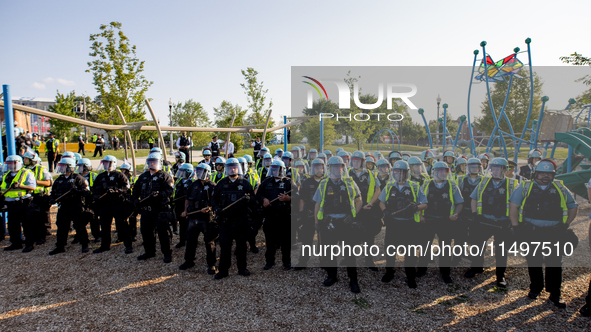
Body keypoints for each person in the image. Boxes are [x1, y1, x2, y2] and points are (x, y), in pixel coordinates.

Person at [509, 159, 578, 308]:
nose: (545, 176)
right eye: (541, 173)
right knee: (533, 261)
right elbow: (513, 206)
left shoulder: (560, 188)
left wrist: (565, 225)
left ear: (553, 175)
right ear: (536, 174)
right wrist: (516, 227)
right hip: (531, 232)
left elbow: (573, 207)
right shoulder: (525, 187)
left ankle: (555, 293)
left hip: (554, 232)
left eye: (548, 173)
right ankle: (536, 288)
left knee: (554, 263)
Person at [465, 158, 519, 288]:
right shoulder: (484, 182)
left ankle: (500, 275)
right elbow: (473, 198)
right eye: (493, 168)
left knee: (501, 250)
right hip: (484, 221)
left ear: (505, 170)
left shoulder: (512, 185)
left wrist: (513, 222)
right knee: (478, 246)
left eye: (498, 169)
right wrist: (474, 214)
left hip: (503, 223)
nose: (495, 171)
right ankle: (476, 268)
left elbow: (516, 204)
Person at [314, 156, 363, 293]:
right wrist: (316, 222)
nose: (337, 169)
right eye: (334, 167)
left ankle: (353, 280)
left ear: (343, 167)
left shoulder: (350, 182)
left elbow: (359, 201)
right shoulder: (323, 184)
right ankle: (332, 277)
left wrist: (353, 215)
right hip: (329, 223)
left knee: (349, 254)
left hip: (346, 223)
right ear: (330, 168)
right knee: (330, 252)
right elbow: (317, 204)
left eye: (339, 166)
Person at [379, 160, 428, 288]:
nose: (399, 174)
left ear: (407, 173)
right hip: (393, 224)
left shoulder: (415, 186)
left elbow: (424, 204)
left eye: (402, 172)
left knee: (410, 253)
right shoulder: (389, 186)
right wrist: (385, 211)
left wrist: (415, 208)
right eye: (396, 172)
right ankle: (389, 272)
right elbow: (381, 201)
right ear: (393, 173)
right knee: (390, 250)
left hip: (409, 225)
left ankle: (410, 277)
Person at [416, 162, 464, 283]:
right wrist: (421, 216)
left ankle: (445, 272)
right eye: (439, 171)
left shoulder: (452, 186)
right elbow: (420, 202)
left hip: (445, 221)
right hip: (429, 220)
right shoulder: (426, 184)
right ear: (434, 172)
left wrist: (456, 214)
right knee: (425, 245)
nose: (442, 173)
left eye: (445, 171)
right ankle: (422, 269)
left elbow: (459, 203)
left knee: (446, 247)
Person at [211, 158, 257, 279]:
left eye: (234, 167)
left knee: (241, 247)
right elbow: (214, 200)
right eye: (230, 167)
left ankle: (242, 269)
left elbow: (254, 201)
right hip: (226, 221)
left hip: (241, 221)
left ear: (238, 168)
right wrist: (216, 209)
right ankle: (223, 271)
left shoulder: (245, 183)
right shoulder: (221, 184)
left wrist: (249, 199)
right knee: (225, 247)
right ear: (227, 169)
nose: (232, 169)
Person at [133, 152, 175, 263]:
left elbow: (170, 191)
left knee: (163, 233)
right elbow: (135, 190)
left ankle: (167, 254)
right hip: (146, 210)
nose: (152, 164)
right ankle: (149, 252)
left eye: (155, 162)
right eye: (150, 162)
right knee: (146, 232)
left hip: (160, 210)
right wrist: (135, 199)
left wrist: (159, 195)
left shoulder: (165, 176)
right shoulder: (143, 176)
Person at [179, 164, 218, 273]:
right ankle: (189, 261)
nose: (200, 174)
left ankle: (211, 264)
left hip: (207, 218)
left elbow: (216, 202)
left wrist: (209, 208)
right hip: (193, 217)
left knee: (209, 242)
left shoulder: (213, 186)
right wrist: (185, 211)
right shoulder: (193, 185)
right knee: (190, 240)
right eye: (199, 171)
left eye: (202, 171)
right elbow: (187, 199)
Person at [47, 158, 90, 255]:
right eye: (60, 166)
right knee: (62, 226)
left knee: (79, 226)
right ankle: (60, 246)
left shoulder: (78, 178)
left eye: (63, 166)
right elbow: (53, 192)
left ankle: (85, 245)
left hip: (76, 205)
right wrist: (52, 199)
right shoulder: (59, 180)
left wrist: (78, 192)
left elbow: (87, 192)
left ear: (70, 167)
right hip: (64, 206)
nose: (61, 168)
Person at [92, 155, 133, 254]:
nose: (106, 165)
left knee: (122, 225)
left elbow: (126, 187)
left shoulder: (119, 175)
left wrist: (117, 191)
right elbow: (94, 188)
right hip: (104, 205)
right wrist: (96, 196)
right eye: (105, 163)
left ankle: (128, 246)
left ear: (113, 164)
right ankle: (105, 245)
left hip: (117, 204)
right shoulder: (101, 176)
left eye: (108, 163)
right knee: (105, 226)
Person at [258, 160, 294, 270]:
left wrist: (289, 198)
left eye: (277, 169)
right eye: (273, 169)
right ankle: (270, 261)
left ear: (282, 170)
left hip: (285, 216)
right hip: (270, 216)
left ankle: (286, 262)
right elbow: (259, 194)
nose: (275, 171)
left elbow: (299, 197)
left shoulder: (289, 182)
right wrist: (263, 199)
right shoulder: (266, 182)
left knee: (286, 241)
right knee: (270, 241)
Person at [349, 150, 382, 270]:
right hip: (353, 209)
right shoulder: (347, 173)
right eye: (354, 161)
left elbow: (378, 190)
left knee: (369, 236)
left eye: (358, 161)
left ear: (363, 162)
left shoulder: (371, 174)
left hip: (367, 210)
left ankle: (369, 260)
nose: (356, 163)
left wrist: (371, 203)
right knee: (350, 235)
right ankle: (348, 259)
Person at [295, 158, 326, 270]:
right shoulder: (306, 182)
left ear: (324, 168)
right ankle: (303, 261)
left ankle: (324, 261)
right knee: (307, 239)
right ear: (313, 169)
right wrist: (301, 214)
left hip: (324, 215)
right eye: (316, 167)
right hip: (308, 215)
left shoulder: (327, 181)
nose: (319, 169)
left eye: (320, 167)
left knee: (324, 240)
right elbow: (301, 199)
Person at [1, 155, 37, 252]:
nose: (10, 166)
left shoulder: (26, 173)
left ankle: (29, 244)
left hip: (23, 203)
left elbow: (33, 187)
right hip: (10, 203)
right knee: (12, 225)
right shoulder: (6, 175)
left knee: (27, 224)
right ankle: (16, 243)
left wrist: (20, 185)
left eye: (12, 164)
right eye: (8, 164)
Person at [23, 151, 52, 245]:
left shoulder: (41, 169)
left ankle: (41, 237)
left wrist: (34, 182)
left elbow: (49, 183)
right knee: (29, 219)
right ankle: (32, 237)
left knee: (40, 218)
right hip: (27, 196)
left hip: (39, 196)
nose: (24, 160)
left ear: (32, 160)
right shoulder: (23, 170)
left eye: (26, 158)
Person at [76, 158, 101, 243]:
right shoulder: (76, 176)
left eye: (81, 166)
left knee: (93, 219)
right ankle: (80, 236)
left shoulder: (94, 176)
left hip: (91, 200)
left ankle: (97, 235)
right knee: (79, 220)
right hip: (80, 200)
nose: (79, 168)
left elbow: (98, 187)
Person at [173, 163, 195, 249]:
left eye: (183, 171)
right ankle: (182, 241)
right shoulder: (179, 181)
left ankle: (191, 241)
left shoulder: (192, 182)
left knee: (189, 225)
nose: (181, 173)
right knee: (182, 225)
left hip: (188, 206)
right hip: (178, 205)